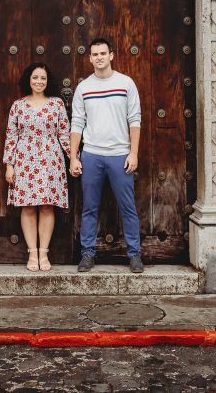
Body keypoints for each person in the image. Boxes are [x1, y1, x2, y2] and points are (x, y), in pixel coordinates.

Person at [69, 38, 143, 274]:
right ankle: (88, 254)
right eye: (95, 54)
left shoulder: (125, 83)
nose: (99, 57)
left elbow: (135, 119)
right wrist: (73, 156)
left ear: (111, 55)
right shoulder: (84, 88)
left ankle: (134, 255)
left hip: (120, 155)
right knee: (89, 207)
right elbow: (77, 124)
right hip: (92, 154)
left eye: (103, 53)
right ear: (89, 58)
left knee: (127, 207)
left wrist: (134, 153)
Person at [3, 62, 71, 272]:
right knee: (29, 207)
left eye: (43, 78)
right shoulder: (18, 105)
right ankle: (32, 253)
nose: (39, 81)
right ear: (28, 80)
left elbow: (64, 134)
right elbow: (11, 135)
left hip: (51, 160)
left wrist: (74, 158)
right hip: (25, 159)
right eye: (35, 77)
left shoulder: (57, 104)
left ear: (48, 81)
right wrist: (9, 165)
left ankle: (44, 253)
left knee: (48, 206)